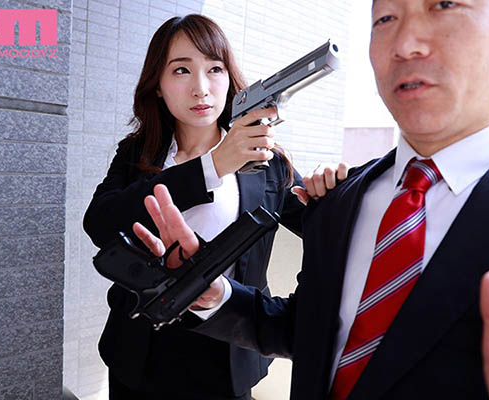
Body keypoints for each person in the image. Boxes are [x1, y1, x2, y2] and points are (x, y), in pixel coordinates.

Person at [133, 1, 489, 399]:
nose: (406, 43)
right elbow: (305, 331)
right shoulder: (343, 200)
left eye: (445, 5)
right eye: (385, 18)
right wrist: (215, 294)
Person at [83, 14, 346, 400]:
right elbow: (100, 225)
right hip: (140, 351)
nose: (201, 88)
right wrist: (213, 166)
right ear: (158, 86)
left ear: (230, 79)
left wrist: (334, 192)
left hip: (230, 353)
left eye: (215, 69)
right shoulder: (138, 152)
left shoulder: (267, 162)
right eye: (181, 70)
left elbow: (328, 229)